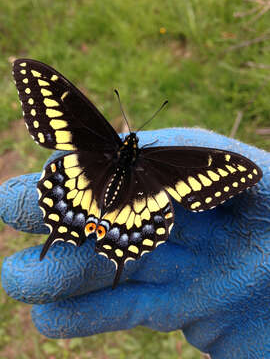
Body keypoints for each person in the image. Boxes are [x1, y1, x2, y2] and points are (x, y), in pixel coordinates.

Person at [1, 128, 269, 359]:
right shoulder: (165, 161)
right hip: (127, 200)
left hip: (99, 187)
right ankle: (95, 234)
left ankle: (80, 226)